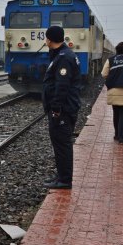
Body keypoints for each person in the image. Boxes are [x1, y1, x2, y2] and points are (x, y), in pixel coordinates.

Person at [42, 26, 81, 190]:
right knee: (59, 144)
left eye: (46, 38)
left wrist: (56, 109)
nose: (45, 41)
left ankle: (65, 180)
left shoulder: (64, 57)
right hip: (64, 108)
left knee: (62, 145)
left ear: (50, 40)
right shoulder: (62, 55)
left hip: (63, 110)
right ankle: (61, 175)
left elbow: (62, 86)